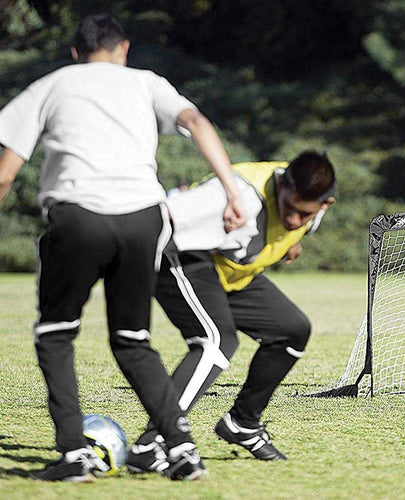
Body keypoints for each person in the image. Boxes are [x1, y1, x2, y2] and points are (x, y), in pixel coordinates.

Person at [0, 14, 246, 482]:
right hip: (144, 218)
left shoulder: (52, 84)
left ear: (75, 52)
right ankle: (183, 451)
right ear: (124, 48)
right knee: (133, 340)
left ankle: (73, 457)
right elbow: (195, 120)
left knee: (56, 333)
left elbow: (5, 172)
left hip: (78, 216)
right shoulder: (148, 83)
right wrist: (232, 192)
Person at [125, 150, 335, 473]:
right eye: (289, 209)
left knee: (292, 330)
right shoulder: (241, 196)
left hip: (231, 273)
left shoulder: (313, 204)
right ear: (280, 185)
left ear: (324, 205)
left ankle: (242, 423)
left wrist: (293, 241)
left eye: (303, 215)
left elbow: (291, 228)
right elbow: (158, 217)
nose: (294, 220)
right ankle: (151, 444)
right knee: (216, 342)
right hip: (181, 258)